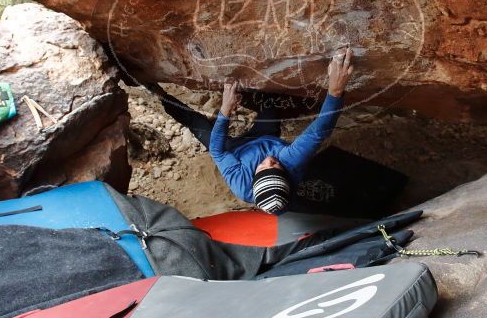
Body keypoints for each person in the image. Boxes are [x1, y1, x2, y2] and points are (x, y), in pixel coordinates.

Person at [149, 47, 353, 214]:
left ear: (253, 178)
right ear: (286, 174)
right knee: (270, 104)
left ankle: (160, 95)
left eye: (263, 168)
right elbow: (319, 131)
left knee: (196, 123)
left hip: (234, 149)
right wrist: (335, 90)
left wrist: (225, 110)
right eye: (275, 165)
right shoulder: (290, 162)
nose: (269, 160)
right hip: (265, 138)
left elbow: (218, 150)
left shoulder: (240, 183)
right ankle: (244, 94)